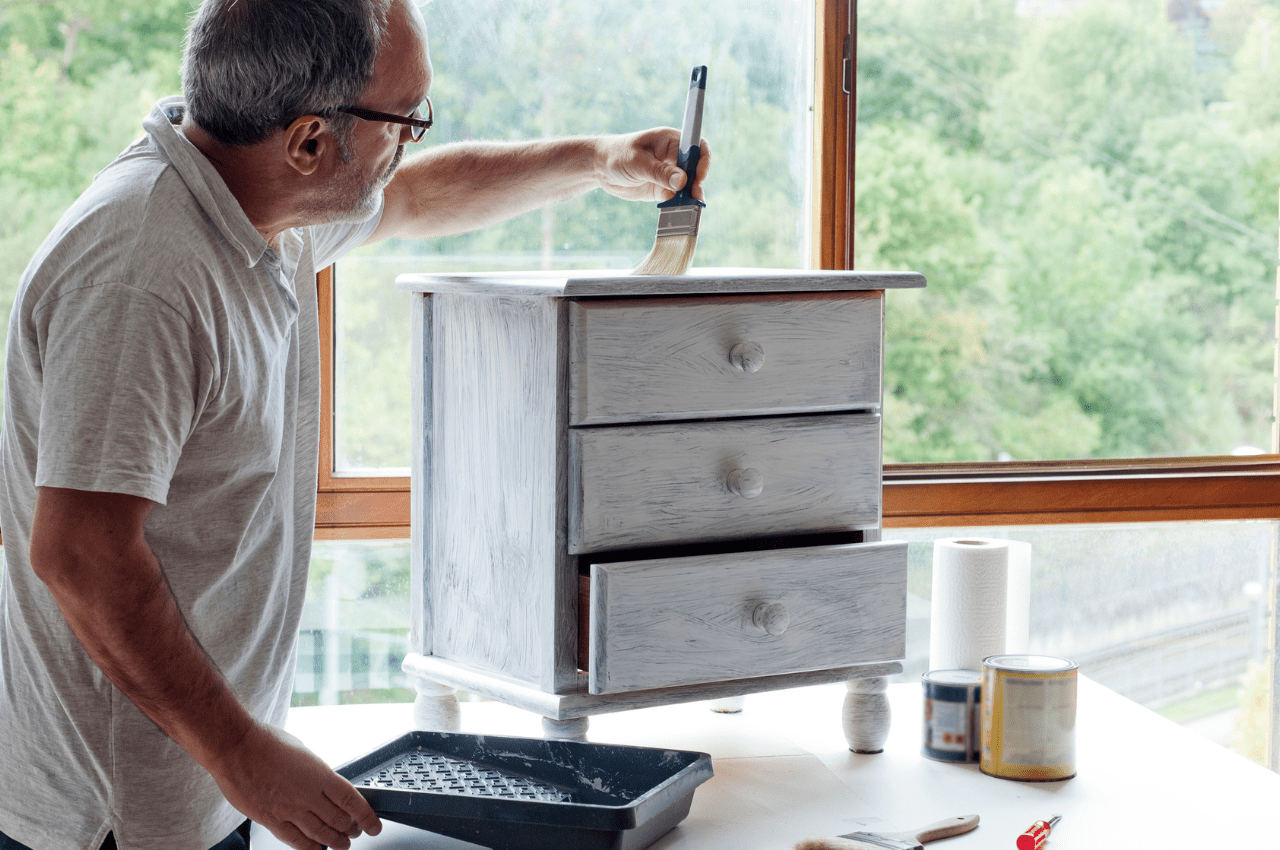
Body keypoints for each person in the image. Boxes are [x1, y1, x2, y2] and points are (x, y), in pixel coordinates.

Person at [0, 0, 709, 849]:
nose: (409, 141)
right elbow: (80, 556)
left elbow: (409, 197)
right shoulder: (142, 275)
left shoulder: (252, 201)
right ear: (307, 142)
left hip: (202, 781)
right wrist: (244, 754)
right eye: (406, 120)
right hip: (113, 814)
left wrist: (597, 161)